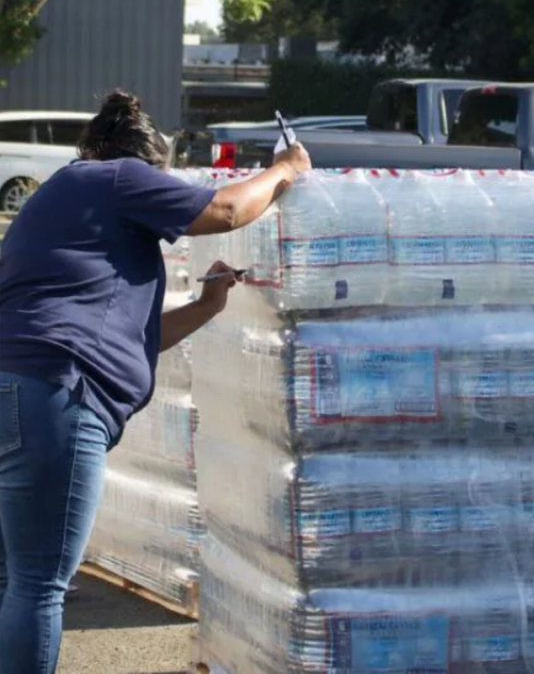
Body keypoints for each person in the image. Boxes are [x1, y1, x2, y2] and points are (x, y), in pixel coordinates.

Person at [0, 90, 311, 674]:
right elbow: (223, 211)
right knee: (41, 584)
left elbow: (128, 336)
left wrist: (205, 307)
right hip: (55, 398)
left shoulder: (60, 210)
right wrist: (284, 169)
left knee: (13, 578)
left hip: (14, 390)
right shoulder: (111, 178)